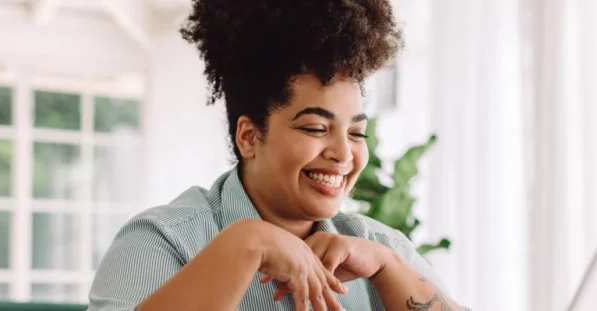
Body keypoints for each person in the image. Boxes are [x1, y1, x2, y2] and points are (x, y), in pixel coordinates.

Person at [88, 0, 469, 310]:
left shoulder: (381, 248)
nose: (343, 153)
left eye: (356, 132)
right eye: (315, 128)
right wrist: (246, 243)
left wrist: (388, 268)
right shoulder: (163, 241)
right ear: (249, 136)